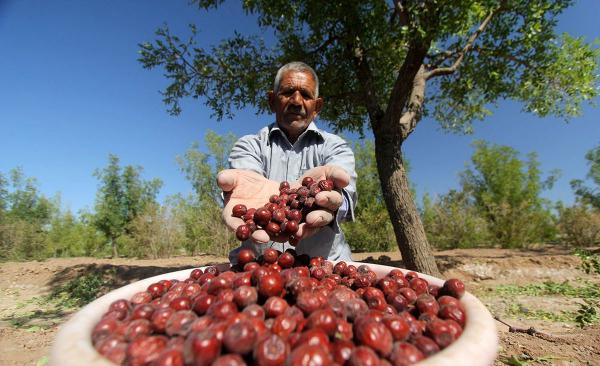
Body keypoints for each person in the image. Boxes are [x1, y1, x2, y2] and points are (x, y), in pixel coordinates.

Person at [217, 61, 357, 263]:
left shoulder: (335, 146)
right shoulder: (249, 145)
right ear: (272, 101)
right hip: (258, 266)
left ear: (317, 106)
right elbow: (246, 183)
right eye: (288, 92)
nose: (297, 101)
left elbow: (346, 195)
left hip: (326, 266)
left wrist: (334, 202)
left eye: (306, 95)